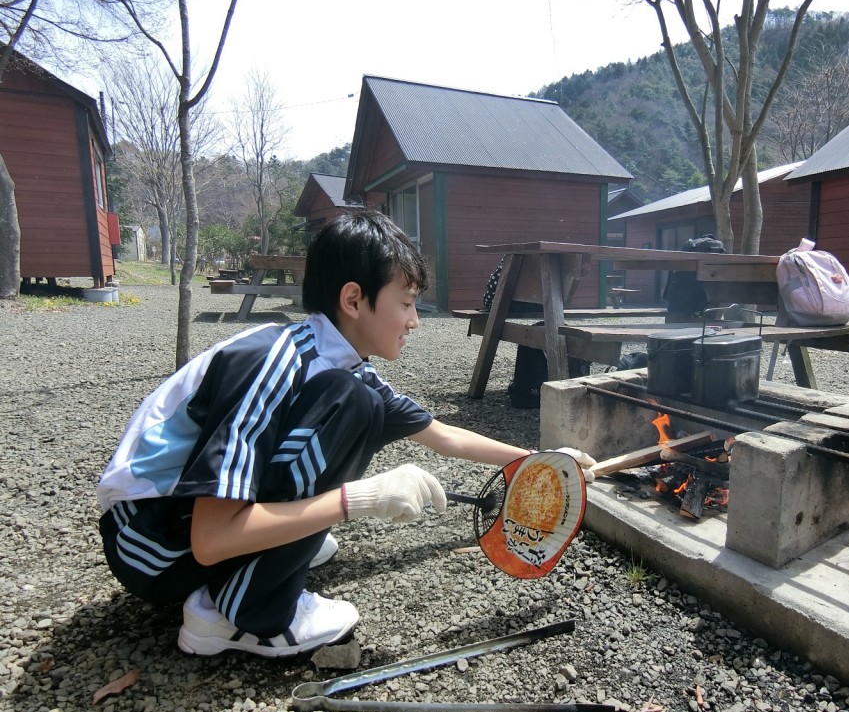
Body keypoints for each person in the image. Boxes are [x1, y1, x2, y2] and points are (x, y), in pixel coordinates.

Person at [96, 209, 596, 659]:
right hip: (151, 542)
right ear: (354, 299)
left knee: (360, 405)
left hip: (179, 527)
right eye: (406, 303)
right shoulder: (276, 364)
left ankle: (264, 560)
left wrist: (543, 459)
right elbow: (210, 539)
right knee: (355, 407)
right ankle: (234, 613)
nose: (415, 322)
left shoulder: (336, 360)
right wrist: (355, 500)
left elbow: (443, 435)